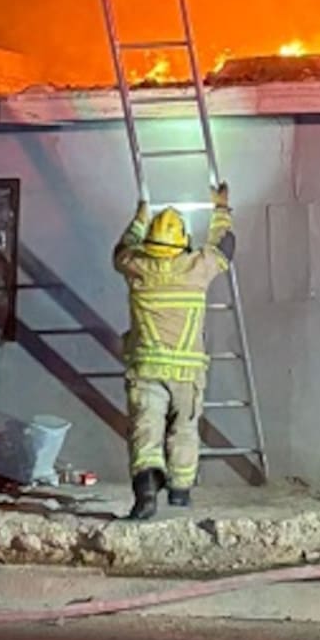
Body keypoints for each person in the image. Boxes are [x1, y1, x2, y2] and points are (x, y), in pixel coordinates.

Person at [114, 184, 234, 520]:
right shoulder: (196, 267)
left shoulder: (135, 266)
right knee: (184, 429)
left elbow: (121, 249)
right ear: (182, 242)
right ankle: (181, 492)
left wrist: (139, 217)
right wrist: (221, 209)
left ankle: (146, 496)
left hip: (146, 369)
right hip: (187, 372)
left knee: (145, 432)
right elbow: (225, 247)